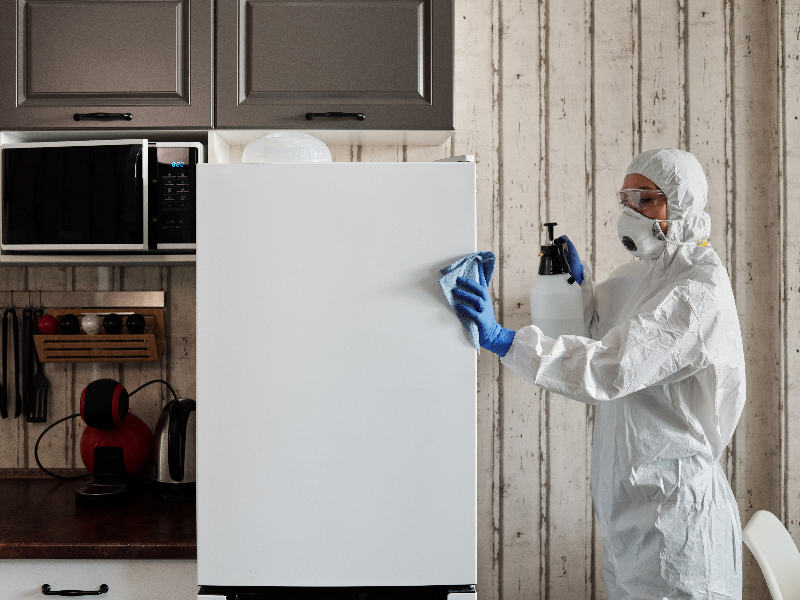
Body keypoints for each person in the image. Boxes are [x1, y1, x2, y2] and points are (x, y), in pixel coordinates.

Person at [453, 149, 746, 600]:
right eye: (626, 198)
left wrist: (505, 341)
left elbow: (611, 367)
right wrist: (579, 289)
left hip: (678, 512)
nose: (631, 211)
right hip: (630, 505)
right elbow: (597, 332)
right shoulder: (643, 276)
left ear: (680, 205)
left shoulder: (696, 292)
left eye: (645, 199)